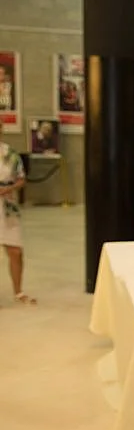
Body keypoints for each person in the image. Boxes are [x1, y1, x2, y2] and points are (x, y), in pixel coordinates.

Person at [0, 118, 35, 305]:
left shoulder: (10, 153)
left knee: (15, 250)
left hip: (8, 206)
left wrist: (9, 188)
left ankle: (18, 292)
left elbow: (21, 179)